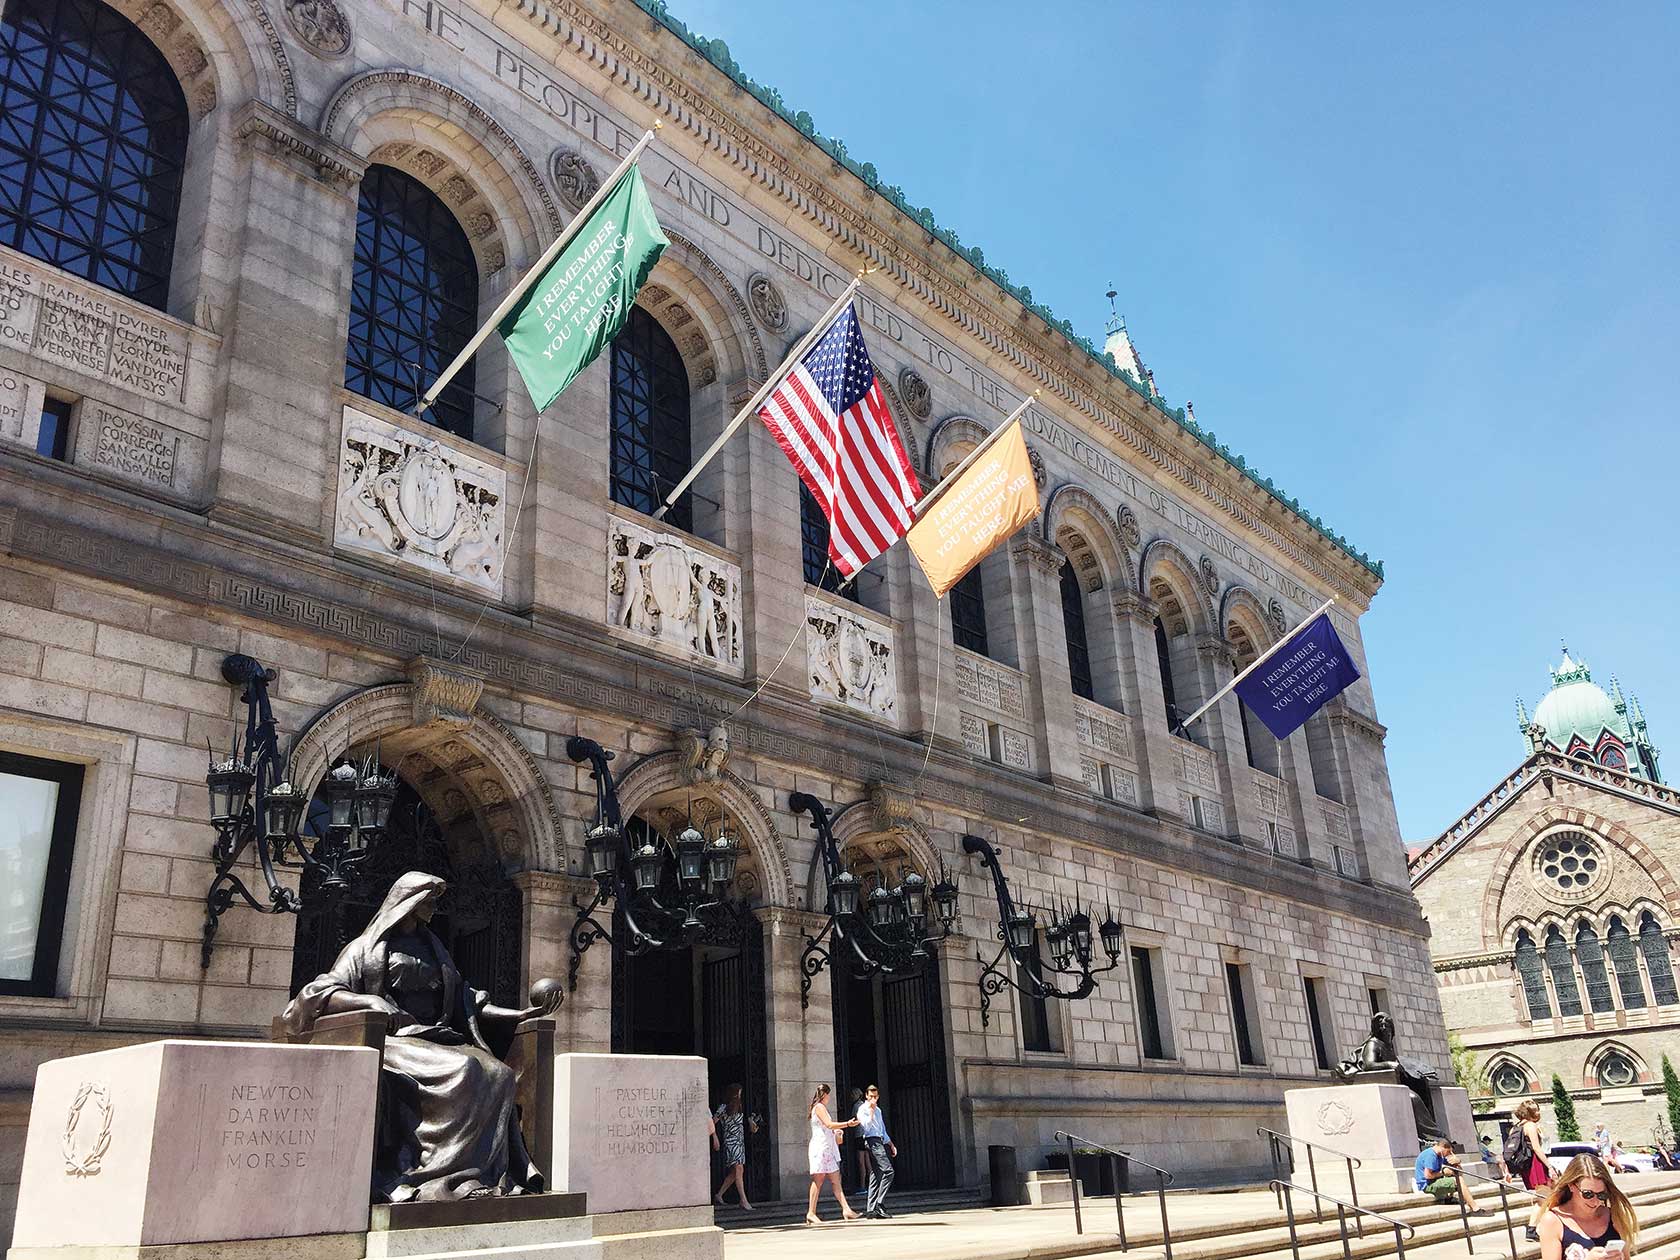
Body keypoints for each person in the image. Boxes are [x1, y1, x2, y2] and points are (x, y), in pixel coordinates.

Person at [281, 872, 556, 1202]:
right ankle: (437, 1177)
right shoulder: (365, 949)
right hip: (394, 1040)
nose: (433, 906)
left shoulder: (435, 950)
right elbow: (320, 992)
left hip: (437, 1039)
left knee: (500, 1074)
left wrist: (522, 1015)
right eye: (428, 900)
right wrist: (370, 1000)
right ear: (409, 903)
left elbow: (469, 1003)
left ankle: (479, 1176)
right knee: (465, 1070)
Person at [1535, 1153, 1637, 1259]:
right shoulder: (1552, 1221)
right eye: (1588, 1194)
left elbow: (1627, 1257)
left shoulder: (1614, 1216)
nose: (1595, 1201)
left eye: (1602, 1194)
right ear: (1571, 1186)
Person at [806, 1083, 861, 1225]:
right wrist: (847, 1124)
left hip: (827, 1149)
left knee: (836, 1180)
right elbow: (829, 1124)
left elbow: (829, 1128)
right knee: (818, 1180)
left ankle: (846, 1209)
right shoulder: (819, 1107)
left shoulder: (820, 1108)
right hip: (821, 1149)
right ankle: (811, 1212)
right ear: (825, 1094)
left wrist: (838, 1133)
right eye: (829, 1094)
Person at [712, 1083, 760, 1210]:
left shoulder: (740, 1107)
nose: (739, 1095)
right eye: (738, 1093)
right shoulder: (724, 1108)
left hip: (740, 1142)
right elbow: (713, 1121)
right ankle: (743, 1200)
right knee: (738, 1170)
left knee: (736, 1172)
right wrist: (715, 1136)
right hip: (731, 1142)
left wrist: (752, 1124)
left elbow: (745, 1125)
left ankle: (719, 1194)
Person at [855, 1084, 897, 1219]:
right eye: (870, 1096)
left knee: (875, 1174)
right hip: (871, 1140)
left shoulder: (878, 1110)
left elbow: (882, 1129)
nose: (873, 1098)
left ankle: (871, 1208)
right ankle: (879, 1203)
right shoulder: (863, 1109)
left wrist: (890, 1144)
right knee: (888, 1171)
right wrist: (871, 1111)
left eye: (875, 1096)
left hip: (879, 1140)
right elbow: (866, 1126)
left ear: (878, 1096)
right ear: (866, 1096)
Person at [1516, 1100, 1555, 1242]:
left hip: (1527, 1166)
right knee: (1544, 1198)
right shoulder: (1530, 1126)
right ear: (1529, 1112)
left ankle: (1534, 1228)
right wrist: (1549, 1166)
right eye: (1536, 1110)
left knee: (1544, 1197)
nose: (1538, 1113)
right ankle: (1532, 1229)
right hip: (1536, 1164)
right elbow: (1537, 1148)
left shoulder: (1516, 1127)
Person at [1415, 1138, 1482, 1211]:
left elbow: (1459, 1171)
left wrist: (1457, 1161)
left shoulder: (1439, 1156)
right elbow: (1428, 1176)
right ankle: (1475, 1208)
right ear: (1442, 1147)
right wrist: (1442, 1173)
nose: (1449, 1154)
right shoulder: (1431, 1155)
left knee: (1455, 1174)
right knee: (1458, 1180)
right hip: (1427, 1185)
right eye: (1448, 1151)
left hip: (1434, 1181)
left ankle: (1449, 1198)